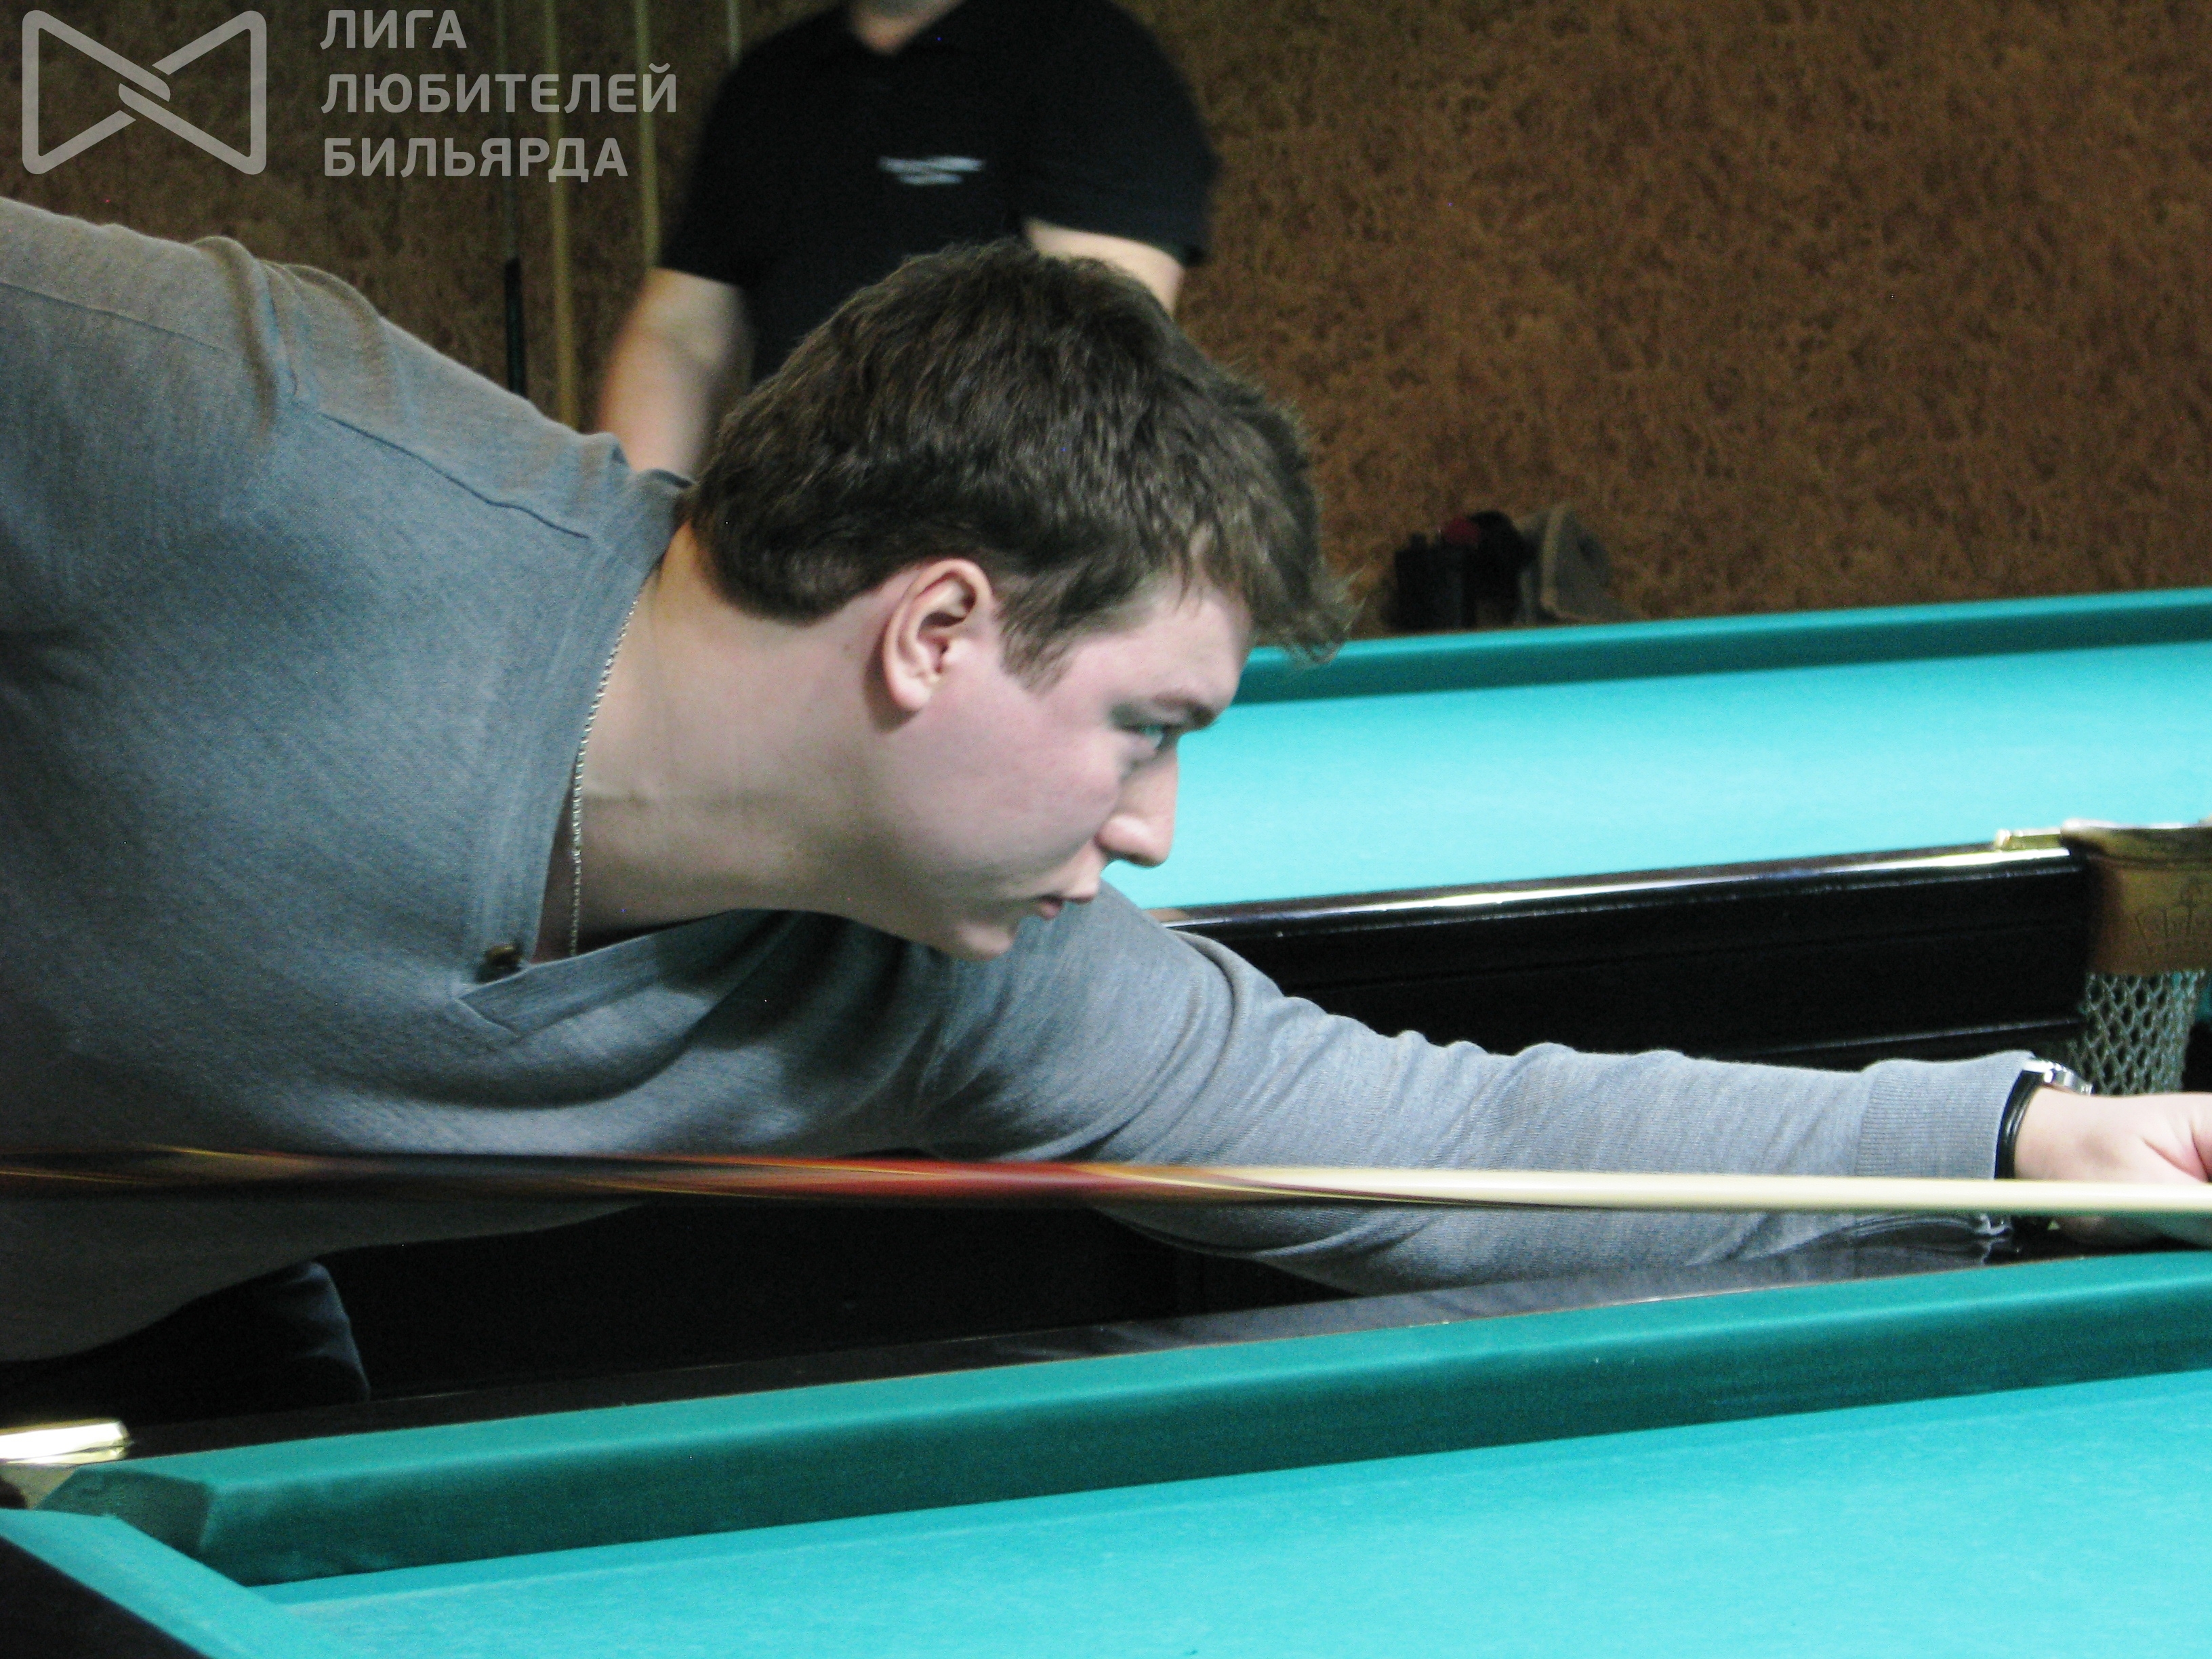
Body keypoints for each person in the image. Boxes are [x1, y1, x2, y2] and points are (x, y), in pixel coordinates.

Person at [1, 199, 2207, 1426]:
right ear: (937, 629)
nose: (1152, 829)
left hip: (119, 1315)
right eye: (1145, 727)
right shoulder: (234, 441)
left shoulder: (966, 981)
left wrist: (2023, 1142)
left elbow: (1443, 1140)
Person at [596, 0, 1214, 476]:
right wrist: (635, 538)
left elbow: (1097, 363)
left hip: (990, 549)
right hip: (784, 542)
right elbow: (679, 338)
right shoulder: (771, 81)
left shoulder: (1093, 61)